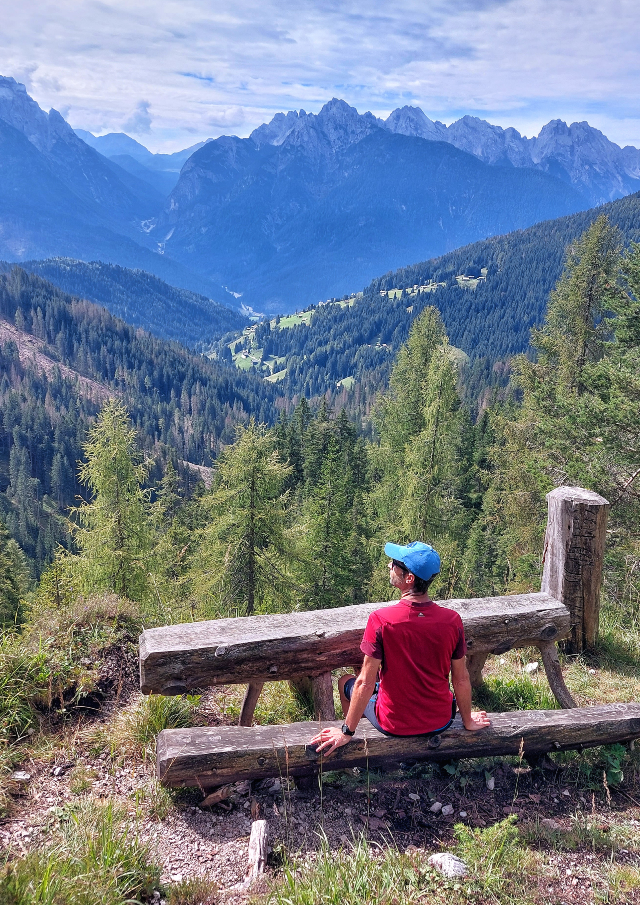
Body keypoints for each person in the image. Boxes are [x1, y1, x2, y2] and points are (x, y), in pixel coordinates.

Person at [311, 541, 490, 757]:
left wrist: (346, 732)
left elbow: (365, 683)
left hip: (395, 724)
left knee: (346, 682)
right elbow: (461, 679)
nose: (389, 565)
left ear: (409, 578)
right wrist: (468, 720)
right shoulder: (452, 621)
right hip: (441, 720)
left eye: (395, 563)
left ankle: (358, 751)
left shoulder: (381, 620)